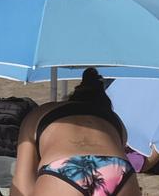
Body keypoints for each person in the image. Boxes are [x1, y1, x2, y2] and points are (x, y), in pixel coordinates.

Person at [12, 68, 137, 196]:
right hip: (118, 171)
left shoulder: (38, 114)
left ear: (71, 97)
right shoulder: (116, 121)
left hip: (65, 171)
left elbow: (22, 185)